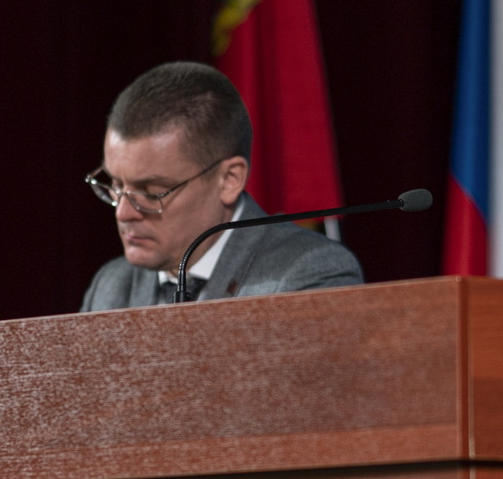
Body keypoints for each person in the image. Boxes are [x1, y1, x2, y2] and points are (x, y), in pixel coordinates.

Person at [80, 62, 362, 311]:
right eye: (115, 185)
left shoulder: (309, 273)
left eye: (151, 192)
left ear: (229, 179)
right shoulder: (111, 285)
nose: (123, 213)